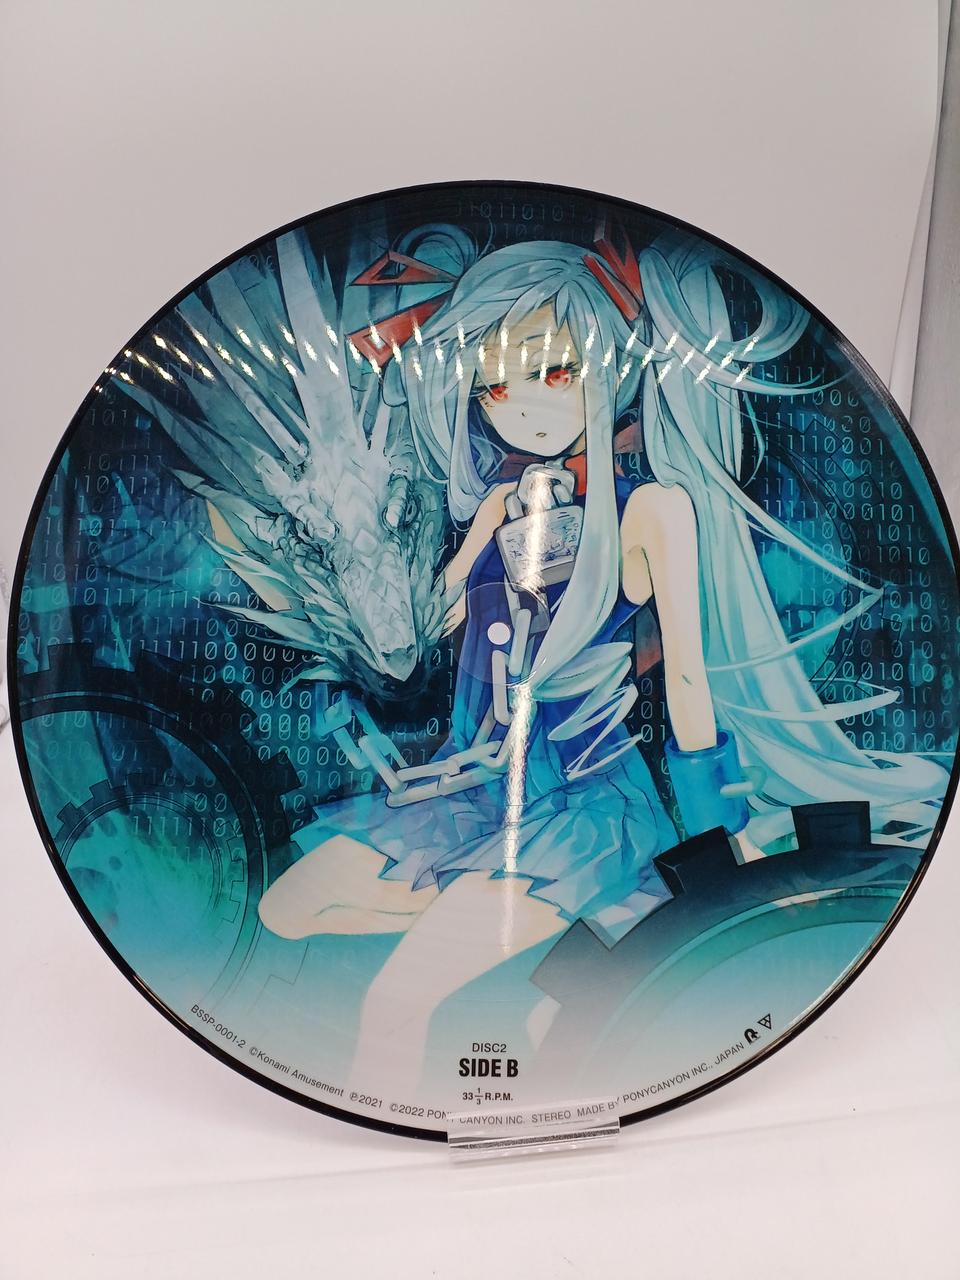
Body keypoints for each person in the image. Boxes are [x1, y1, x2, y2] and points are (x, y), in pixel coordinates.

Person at [256, 226, 947, 1091]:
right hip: (475, 794)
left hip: (586, 810)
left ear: (608, 364)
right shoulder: (500, 501)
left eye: (553, 373)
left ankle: (579, 912)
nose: (520, 406)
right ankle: (529, 922)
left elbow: (687, 679)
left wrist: (713, 845)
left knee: (394, 1003)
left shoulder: (655, 510)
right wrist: (343, 594)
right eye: (494, 385)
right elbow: (430, 623)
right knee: (286, 908)